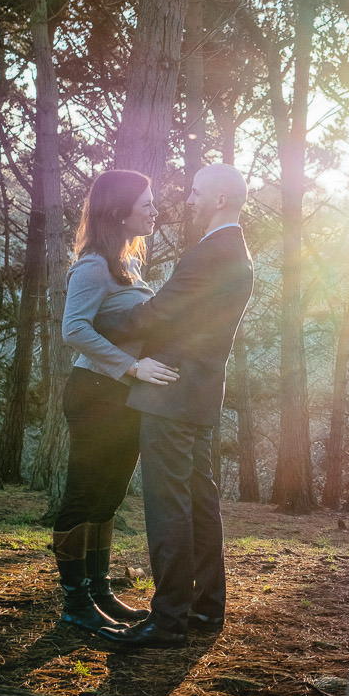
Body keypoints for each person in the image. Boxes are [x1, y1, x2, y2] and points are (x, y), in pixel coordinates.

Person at [95, 163, 254, 648]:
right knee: (202, 505)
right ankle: (205, 612)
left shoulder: (209, 254)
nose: (188, 198)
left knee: (168, 506)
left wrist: (101, 324)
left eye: (196, 192)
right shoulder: (236, 254)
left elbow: (161, 313)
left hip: (171, 392)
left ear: (220, 200)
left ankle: (167, 621)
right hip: (201, 393)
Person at [52, 169, 180, 635]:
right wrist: (131, 367)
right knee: (83, 495)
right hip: (95, 396)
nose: (153, 210)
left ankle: (99, 589)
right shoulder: (92, 266)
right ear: (118, 211)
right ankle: (74, 604)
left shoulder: (126, 262)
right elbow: (74, 330)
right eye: (145, 203)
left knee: (107, 498)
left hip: (122, 400)